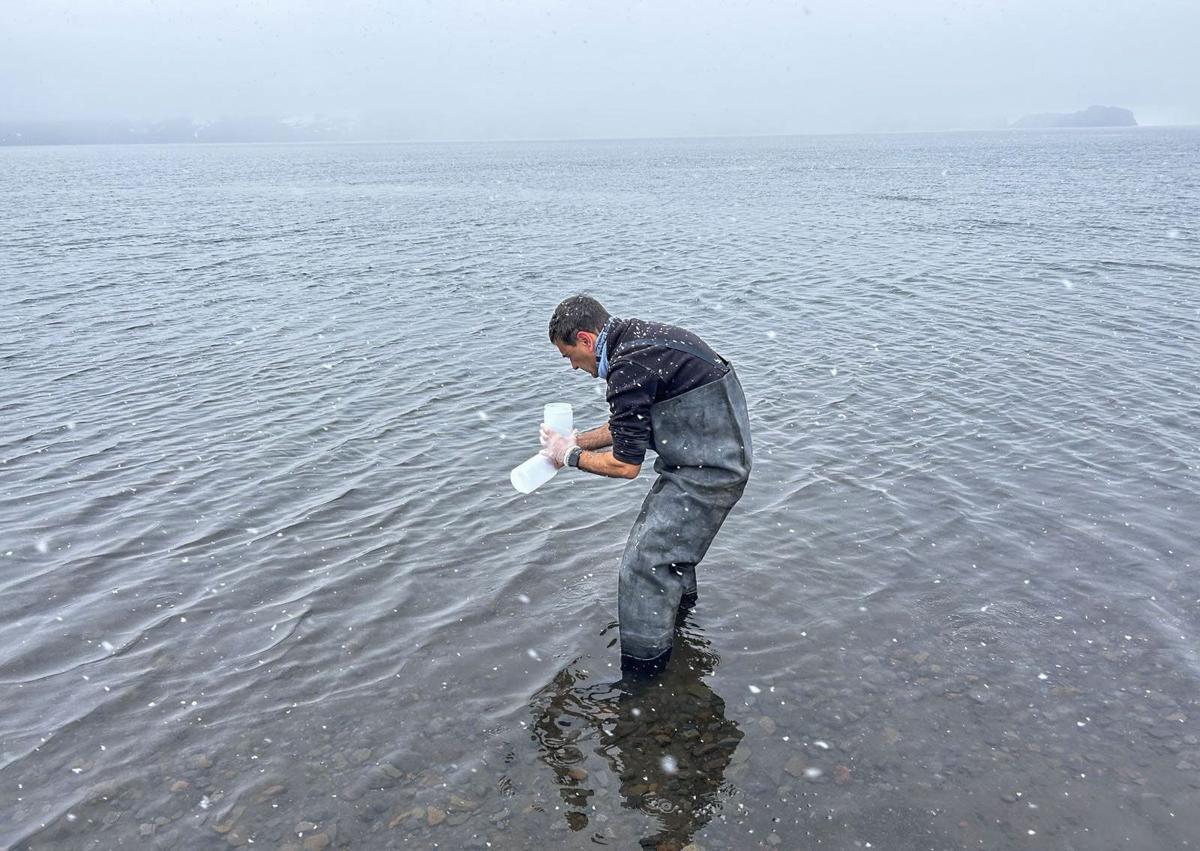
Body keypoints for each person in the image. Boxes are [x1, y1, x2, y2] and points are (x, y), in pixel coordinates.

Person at [540, 295, 753, 672]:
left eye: (570, 355)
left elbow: (625, 465)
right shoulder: (640, 342)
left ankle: (644, 670)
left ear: (587, 340)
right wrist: (574, 441)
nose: (573, 367)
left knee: (643, 566)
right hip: (704, 458)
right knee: (668, 549)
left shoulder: (627, 368)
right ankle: (680, 619)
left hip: (709, 472)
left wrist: (567, 457)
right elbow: (628, 424)